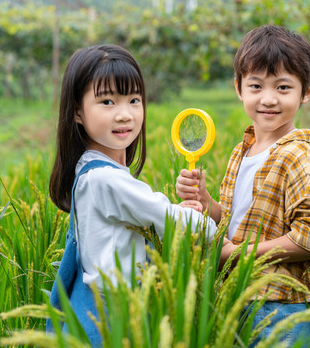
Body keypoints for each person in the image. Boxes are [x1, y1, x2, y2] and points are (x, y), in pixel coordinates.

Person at [176, 25, 310, 347]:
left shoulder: (297, 158)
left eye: (283, 87)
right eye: (255, 85)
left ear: (306, 91)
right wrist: (209, 205)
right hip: (238, 297)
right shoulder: (244, 150)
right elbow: (242, 223)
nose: (268, 99)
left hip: (280, 308)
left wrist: (238, 254)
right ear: (238, 87)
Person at [47, 44, 216, 347]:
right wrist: (205, 223)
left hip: (103, 309)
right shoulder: (106, 180)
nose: (124, 115)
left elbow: (148, 218)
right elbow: (173, 222)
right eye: (108, 101)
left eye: (134, 100)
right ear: (77, 112)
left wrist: (183, 209)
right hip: (113, 318)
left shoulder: (90, 172)